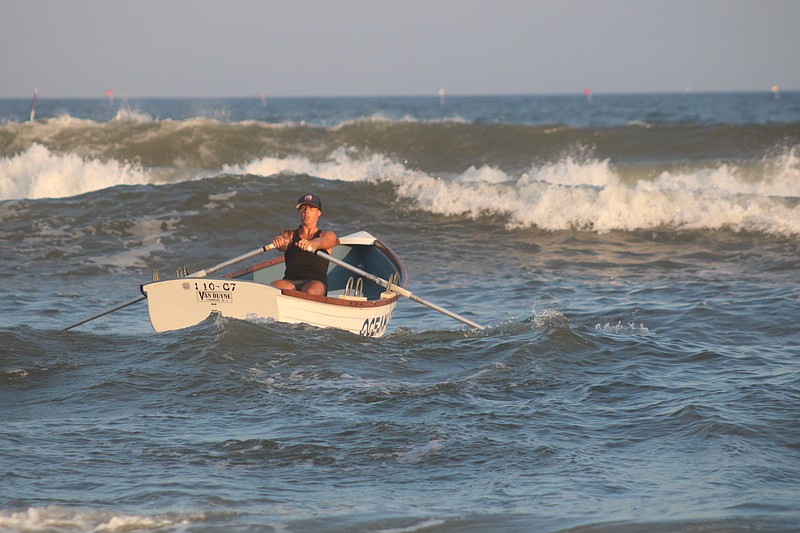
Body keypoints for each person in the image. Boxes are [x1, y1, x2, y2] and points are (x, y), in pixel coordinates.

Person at [271, 193, 337, 296]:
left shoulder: (327, 235)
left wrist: (312, 244)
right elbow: (284, 243)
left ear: (319, 213)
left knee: (311, 291)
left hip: (315, 283)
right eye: (303, 208)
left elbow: (325, 241)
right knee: (273, 288)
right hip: (290, 282)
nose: (306, 211)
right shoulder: (289, 235)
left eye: (311, 208)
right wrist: (280, 243)